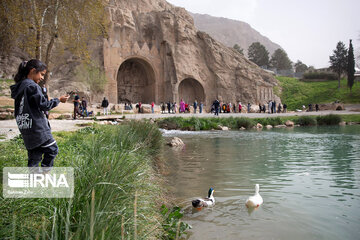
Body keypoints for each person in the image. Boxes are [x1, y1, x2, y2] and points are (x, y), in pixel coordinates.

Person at [10, 59, 69, 171]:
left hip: (26, 127)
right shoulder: (32, 86)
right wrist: (59, 100)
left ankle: (34, 183)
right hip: (38, 128)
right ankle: (44, 176)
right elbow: (44, 105)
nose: (42, 78)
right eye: (41, 74)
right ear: (33, 71)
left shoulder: (19, 88)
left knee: (34, 157)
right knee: (52, 149)